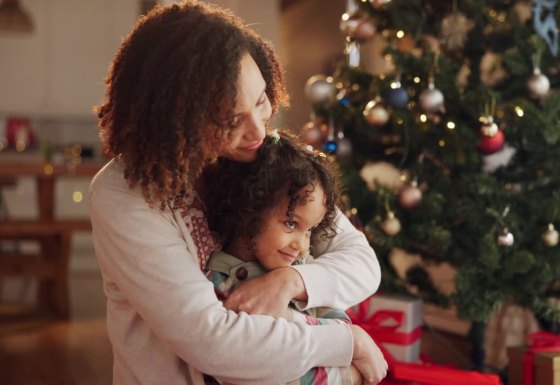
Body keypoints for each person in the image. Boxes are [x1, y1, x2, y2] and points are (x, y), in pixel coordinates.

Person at [89, 2, 386, 384]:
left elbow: (361, 261)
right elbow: (215, 341)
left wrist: (291, 281)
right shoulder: (123, 195)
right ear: (174, 119)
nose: (259, 132)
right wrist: (347, 341)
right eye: (231, 120)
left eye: (261, 100)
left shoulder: (266, 159)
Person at [199, 129, 362, 385]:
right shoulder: (217, 286)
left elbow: (341, 322)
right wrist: (344, 368)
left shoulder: (301, 266)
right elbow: (255, 370)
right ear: (248, 210)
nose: (301, 243)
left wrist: (342, 340)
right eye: (290, 223)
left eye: (309, 230)